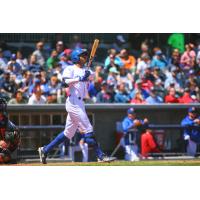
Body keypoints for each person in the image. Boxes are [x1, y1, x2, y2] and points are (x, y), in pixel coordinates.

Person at [38, 47, 116, 164]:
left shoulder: (86, 70)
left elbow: (94, 76)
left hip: (80, 103)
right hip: (74, 102)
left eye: (86, 55)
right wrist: (79, 78)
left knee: (68, 134)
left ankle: (45, 149)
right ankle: (100, 156)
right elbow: (64, 82)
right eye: (82, 55)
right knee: (89, 130)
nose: (85, 57)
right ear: (76, 57)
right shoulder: (70, 68)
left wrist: (88, 72)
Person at [0, 98, 20, 164]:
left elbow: (6, 143)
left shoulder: (7, 124)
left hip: (7, 148)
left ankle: (7, 157)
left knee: (3, 155)